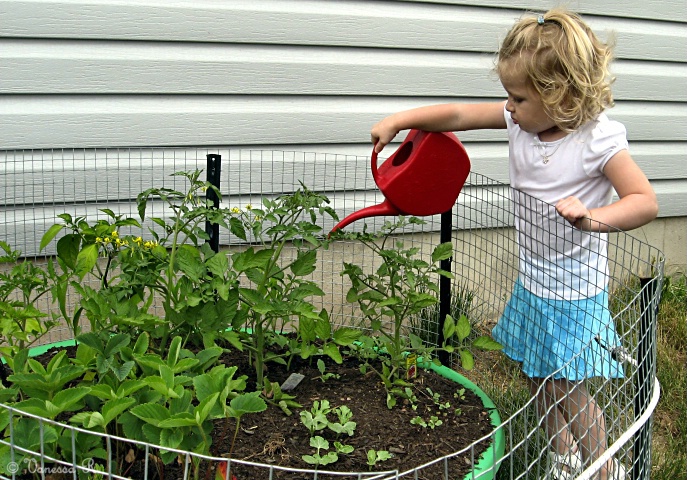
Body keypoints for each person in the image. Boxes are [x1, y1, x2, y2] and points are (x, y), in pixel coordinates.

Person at [370, 8, 658, 480]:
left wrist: (594, 218)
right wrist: (401, 119)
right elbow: (460, 114)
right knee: (532, 373)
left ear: (561, 96)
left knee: (568, 388)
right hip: (534, 281)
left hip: (573, 292)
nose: (509, 106)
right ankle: (564, 454)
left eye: (518, 97)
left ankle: (605, 469)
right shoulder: (521, 120)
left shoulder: (597, 141)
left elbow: (644, 201)